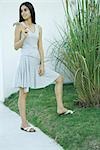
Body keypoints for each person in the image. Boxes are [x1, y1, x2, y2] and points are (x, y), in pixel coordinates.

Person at [13, 2, 73, 132]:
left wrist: (42, 64)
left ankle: (60, 108)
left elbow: (40, 47)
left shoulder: (39, 27)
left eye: (26, 10)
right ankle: (24, 123)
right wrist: (23, 37)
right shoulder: (19, 26)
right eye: (21, 11)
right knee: (23, 93)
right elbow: (16, 46)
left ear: (31, 11)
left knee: (59, 79)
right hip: (25, 62)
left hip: (36, 63)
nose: (23, 13)